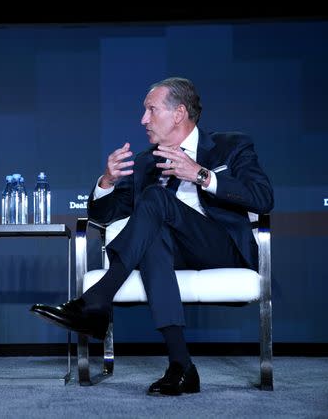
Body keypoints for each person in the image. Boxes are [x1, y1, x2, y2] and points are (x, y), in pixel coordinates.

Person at [31, 77, 274, 396]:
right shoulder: (146, 162)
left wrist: (200, 174)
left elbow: (263, 198)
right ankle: (181, 365)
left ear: (178, 113)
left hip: (220, 247)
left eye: (150, 110)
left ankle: (97, 301)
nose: (143, 119)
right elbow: (103, 217)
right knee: (153, 233)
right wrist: (107, 181)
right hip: (171, 249)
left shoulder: (231, 145)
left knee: (156, 200)